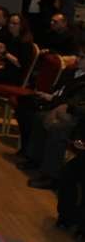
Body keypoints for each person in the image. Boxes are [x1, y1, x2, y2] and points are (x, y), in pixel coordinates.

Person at [14, 48, 85, 190]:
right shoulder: (71, 71)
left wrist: (56, 101)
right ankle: (35, 158)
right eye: (79, 56)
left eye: (83, 57)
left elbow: (76, 104)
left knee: (58, 129)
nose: (78, 59)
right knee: (35, 114)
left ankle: (52, 176)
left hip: (77, 119)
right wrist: (52, 98)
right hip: (63, 108)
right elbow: (59, 91)